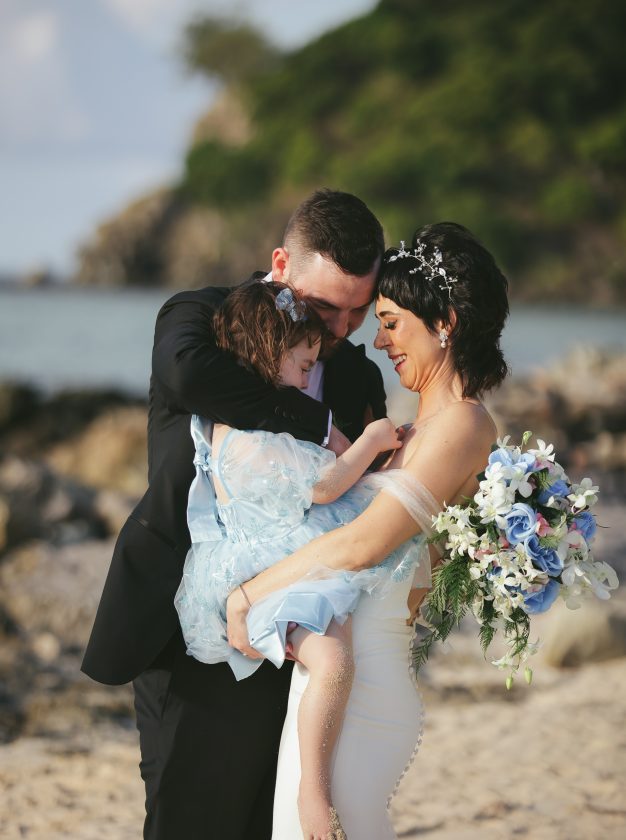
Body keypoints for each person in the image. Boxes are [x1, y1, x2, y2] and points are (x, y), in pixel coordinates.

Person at [81, 188, 387, 840]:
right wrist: (317, 421)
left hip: (299, 628)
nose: (338, 328)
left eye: (359, 310)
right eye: (325, 305)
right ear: (281, 264)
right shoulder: (202, 317)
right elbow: (188, 377)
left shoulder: (358, 374)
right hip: (186, 622)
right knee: (187, 820)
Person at [224, 222, 510, 839]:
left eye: (390, 321)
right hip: (337, 684)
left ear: (446, 323)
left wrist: (247, 595)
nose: (377, 342)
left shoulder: (463, 426)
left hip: (366, 688)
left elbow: (363, 544)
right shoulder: (415, 427)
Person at [175, 280, 407, 839]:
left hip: (283, 556)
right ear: (266, 352)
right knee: (332, 661)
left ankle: (318, 784)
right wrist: (371, 440)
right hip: (261, 571)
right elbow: (326, 487)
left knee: (341, 656)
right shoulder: (252, 439)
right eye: (302, 366)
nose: (308, 381)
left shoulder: (248, 424)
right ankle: (314, 793)